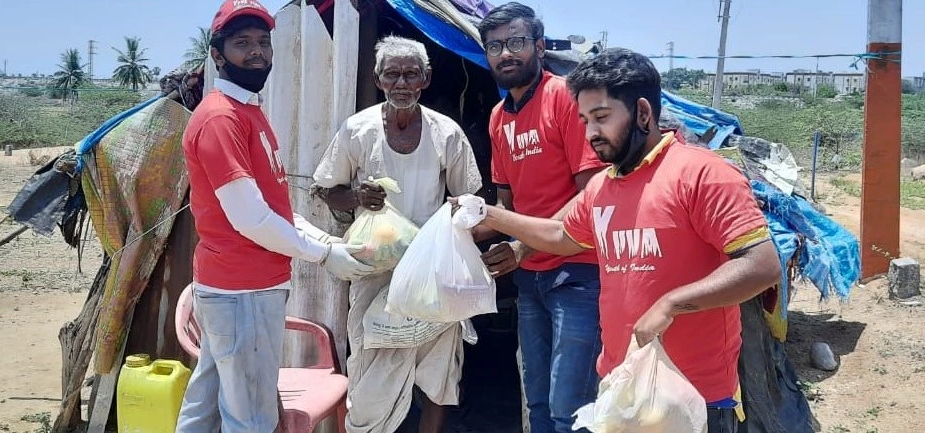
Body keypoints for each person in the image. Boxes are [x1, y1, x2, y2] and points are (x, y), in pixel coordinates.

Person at [460, 48, 782, 433]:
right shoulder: (603, 186)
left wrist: (671, 303)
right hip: (622, 385)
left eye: (601, 118)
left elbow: (761, 265)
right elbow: (561, 235)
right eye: (584, 120)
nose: (590, 133)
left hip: (692, 395)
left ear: (643, 113)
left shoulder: (702, 174)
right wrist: (490, 214)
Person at [176, 1, 373, 432]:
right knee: (251, 419)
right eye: (242, 42)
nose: (257, 52)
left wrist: (328, 243)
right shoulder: (221, 119)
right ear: (217, 53)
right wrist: (323, 257)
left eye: (263, 41)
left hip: (235, 289)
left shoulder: (249, 112)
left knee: (206, 405)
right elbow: (252, 221)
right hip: (242, 290)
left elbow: (274, 210)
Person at [312, 36, 484, 433]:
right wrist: (355, 195)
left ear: (425, 79)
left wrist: (451, 231)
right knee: (372, 368)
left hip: (433, 274)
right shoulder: (358, 130)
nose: (401, 82)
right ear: (378, 79)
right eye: (392, 74)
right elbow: (327, 189)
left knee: (438, 370)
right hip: (375, 274)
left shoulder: (447, 133)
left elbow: (468, 200)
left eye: (410, 73)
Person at [475, 3, 607, 432]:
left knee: (570, 404)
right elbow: (506, 205)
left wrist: (522, 245)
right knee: (536, 398)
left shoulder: (565, 98)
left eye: (515, 42)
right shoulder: (498, 119)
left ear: (539, 45)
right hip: (530, 279)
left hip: (577, 273)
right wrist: (451, 232)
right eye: (495, 46)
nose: (505, 54)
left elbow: (592, 193)